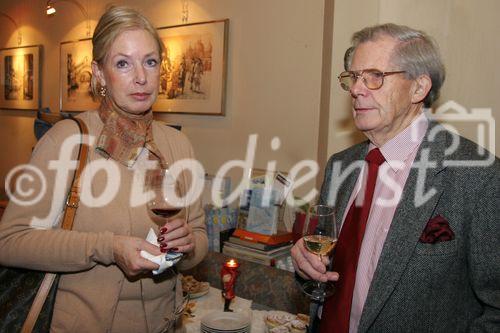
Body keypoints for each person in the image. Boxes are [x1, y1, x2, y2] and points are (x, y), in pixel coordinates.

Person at [0, 6, 207, 333]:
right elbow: (10, 241)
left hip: (165, 323)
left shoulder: (178, 146)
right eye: (123, 63)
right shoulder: (67, 141)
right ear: (98, 74)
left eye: (150, 62)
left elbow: (198, 239)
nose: (141, 77)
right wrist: (106, 248)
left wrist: (188, 245)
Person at [291, 23, 499, 332]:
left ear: (419, 87)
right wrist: (305, 264)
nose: (357, 89)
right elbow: (326, 260)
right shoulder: (340, 165)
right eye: (354, 77)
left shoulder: (478, 176)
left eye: (375, 76)